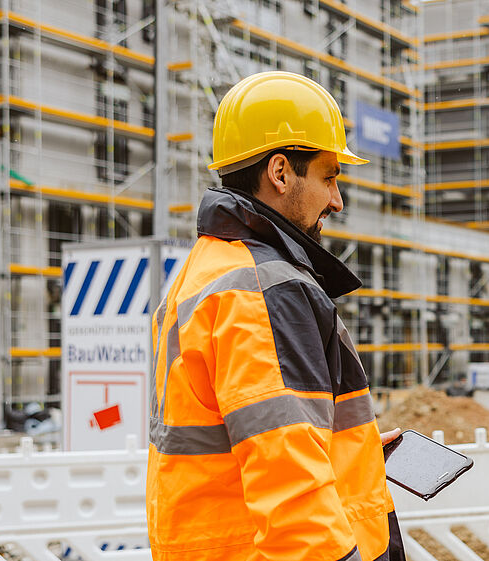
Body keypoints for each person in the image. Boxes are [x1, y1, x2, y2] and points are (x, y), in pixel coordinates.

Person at [146, 71, 406, 561]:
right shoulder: (265, 289)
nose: (337, 200)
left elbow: (248, 434)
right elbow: (289, 483)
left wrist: (350, 447)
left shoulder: (203, 271)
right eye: (329, 177)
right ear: (281, 172)